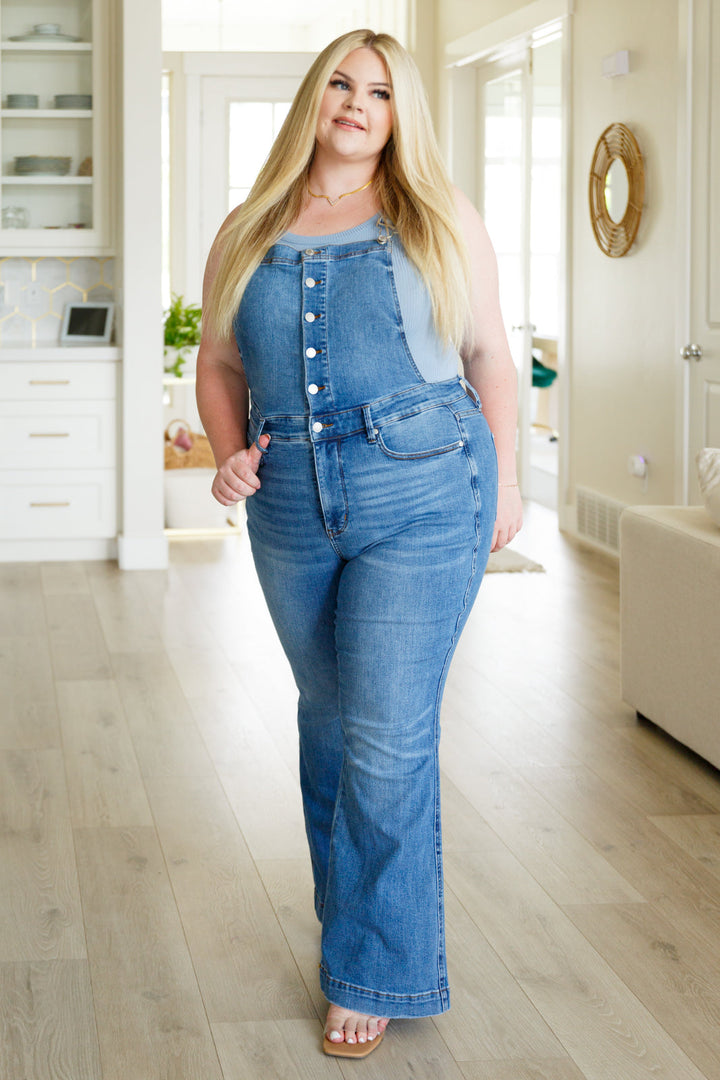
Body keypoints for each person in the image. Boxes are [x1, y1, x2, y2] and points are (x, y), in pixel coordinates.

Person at [196, 28, 522, 1059]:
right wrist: (228, 454)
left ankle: (372, 972)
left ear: (398, 115)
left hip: (425, 484)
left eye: (379, 92)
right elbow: (219, 366)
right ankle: (358, 933)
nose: (356, 102)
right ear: (314, 98)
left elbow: (488, 354)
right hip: (290, 496)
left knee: (386, 731)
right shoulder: (246, 226)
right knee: (330, 721)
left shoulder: (438, 213)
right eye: (341, 83)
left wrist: (510, 479)